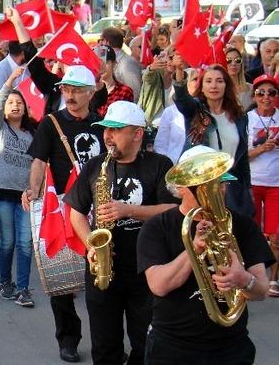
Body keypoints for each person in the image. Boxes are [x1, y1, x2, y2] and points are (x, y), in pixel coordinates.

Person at [137, 146, 274, 364]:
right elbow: (159, 285)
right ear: (181, 187)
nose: (217, 189)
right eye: (205, 183)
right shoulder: (157, 227)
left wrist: (244, 280)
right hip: (173, 347)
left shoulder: (243, 225)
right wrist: (194, 250)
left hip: (231, 348)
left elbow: (261, 291)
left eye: (221, 181)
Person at [66, 101, 179, 364]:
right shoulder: (96, 166)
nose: (107, 136)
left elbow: (173, 210)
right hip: (103, 269)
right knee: (105, 346)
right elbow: (76, 212)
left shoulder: (160, 164)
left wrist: (128, 210)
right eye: (105, 129)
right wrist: (91, 246)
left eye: (115, 129)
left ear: (137, 133)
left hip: (147, 269)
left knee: (147, 343)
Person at [22, 65, 105, 363]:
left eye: (77, 90)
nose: (70, 95)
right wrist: (33, 192)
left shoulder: (102, 124)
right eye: (66, 89)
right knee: (59, 277)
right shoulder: (51, 123)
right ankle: (67, 338)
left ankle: (104, 341)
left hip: (100, 208)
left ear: (91, 92)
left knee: (101, 275)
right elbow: (37, 161)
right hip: (61, 207)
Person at [173, 63, 253, 216]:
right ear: (201, 86)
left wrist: (248, 189)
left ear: (226, 85)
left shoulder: (239, 116)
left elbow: (242, 158)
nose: (214, 85)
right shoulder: (195, 110)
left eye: (219, 81)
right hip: (200, 184)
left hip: (229, 186)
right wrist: (178, 71)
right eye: (208, 81)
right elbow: (182, 99)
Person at [0, 67, 37, 307]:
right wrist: (10, 80)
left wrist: (34, 190)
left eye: (19, 102)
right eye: (11, 102)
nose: (15, 106)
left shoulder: (32, 134)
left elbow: (38, 165)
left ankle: (23, 289)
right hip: (1, 192)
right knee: (8, 240)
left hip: (25, 196)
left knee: (24, 242)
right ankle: (4, 282)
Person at [246, 74, 279, 295]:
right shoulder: (246, 119)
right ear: (254, 95)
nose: (266, 97)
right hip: (252, 182)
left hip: (276, 184)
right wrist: (261, 149)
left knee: (276, 235)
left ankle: (273, 280)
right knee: (251, 233)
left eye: (271, 93)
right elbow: (240, 156)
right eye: (261, 93)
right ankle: (251, 277)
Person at [154, 68, 199, 163]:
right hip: (174, 166)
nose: (199, 83)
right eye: (195, 79)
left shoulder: (205, 110)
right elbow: (160, 145)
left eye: (200, 79)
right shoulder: (170, 112)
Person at [93, 45, 134, 117]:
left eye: (105, 62)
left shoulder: (124, 91)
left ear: (114, 64)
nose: (101, 67)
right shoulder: (86, 91)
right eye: (96, 62)